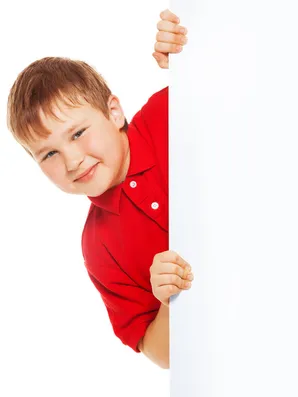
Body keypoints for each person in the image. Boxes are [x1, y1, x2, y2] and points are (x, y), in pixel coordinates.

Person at [5, 9, 189, 369]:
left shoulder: (171, 110)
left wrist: (191, 50)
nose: (72, 160)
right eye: (49, 154)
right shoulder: (98, 246)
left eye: (77, 133)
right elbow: (158, 352)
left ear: (115, 112)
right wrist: (168, 304)